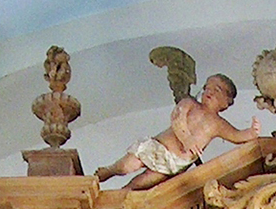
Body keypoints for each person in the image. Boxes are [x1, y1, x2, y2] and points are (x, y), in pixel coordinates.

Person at [97, 72, 260, 189]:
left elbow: (236, 136)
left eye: (217, 89)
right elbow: (177, 118)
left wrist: (252, 132)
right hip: (157, 147)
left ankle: (122, 195)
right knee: (126, 166)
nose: (209, 91)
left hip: (173, 163)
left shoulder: (218, 124)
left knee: (142, 183)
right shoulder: (190, 103)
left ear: (226, 102)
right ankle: (110, 170)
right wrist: (186, 138)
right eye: (207, 87)